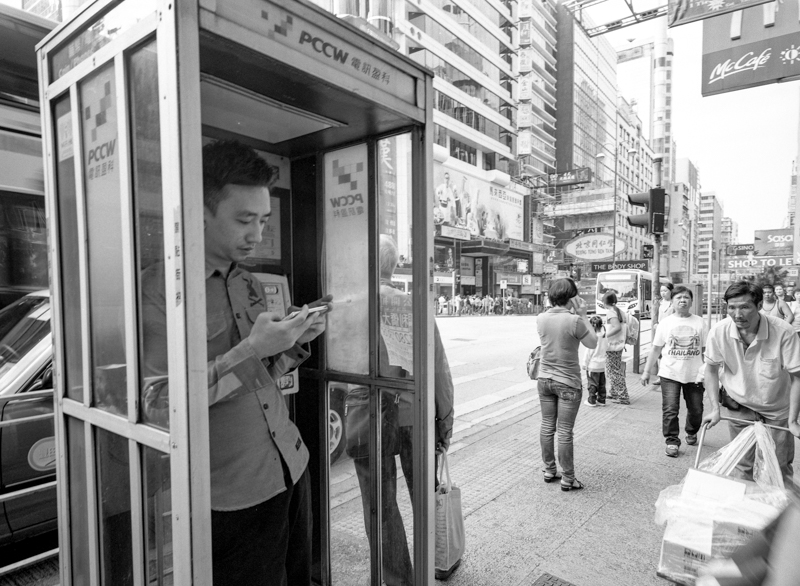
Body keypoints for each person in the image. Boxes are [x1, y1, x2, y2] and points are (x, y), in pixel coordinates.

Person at [141, 141, 331, 586]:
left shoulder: (248, 282)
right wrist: (253, 349)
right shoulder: (160, 290)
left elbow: (258, 377)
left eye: (263, 220)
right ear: (200, 212)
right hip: (230, 492)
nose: (257, 235)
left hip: (290, 463)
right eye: (245, 220)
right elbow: (159, 403)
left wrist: (292, 343)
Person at [352, 234, 455, 586]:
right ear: (393, 267)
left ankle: (398, 580)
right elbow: (438, 368)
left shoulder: (352, 305)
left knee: (380, 506)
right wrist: (444, 421)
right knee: (424, 495)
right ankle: (436, 561)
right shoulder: (414, 306)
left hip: (368, 415)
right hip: (414, 414)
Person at [703, 281, 800, 488]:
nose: (737, 314)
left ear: (759, 306)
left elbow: (797, 377)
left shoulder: (783, 332)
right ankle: (745, 506)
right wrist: (714, 409)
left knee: (778, 468)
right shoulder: (719, 331)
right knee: (741, 465)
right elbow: (710, 370)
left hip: (777, 410)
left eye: (745, 307)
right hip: (739, 405)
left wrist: (793, 421)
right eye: (732, 307)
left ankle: (778, 507)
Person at [536, 278, 598, 491]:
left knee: (547, 426)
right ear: (572, 297)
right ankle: (568, 478)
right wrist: (584, 315)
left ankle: (549, 469)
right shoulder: (575, 321)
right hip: (568, 382)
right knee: (564, 431)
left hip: (544, 380)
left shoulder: (541, 318)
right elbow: (593, 343)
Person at [641, 286, 707, 458]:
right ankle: (672, 441)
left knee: (696, 409)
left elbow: (706, 350)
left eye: (686, 297)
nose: (682, 300)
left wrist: (709, 373)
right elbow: (656, 349)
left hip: (695, 375)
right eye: (679, 297)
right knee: (670, 409)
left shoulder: (700, 322)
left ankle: (691, 431)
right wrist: (646, 371)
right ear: (672, 301)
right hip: (669, 373)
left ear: (691, 301)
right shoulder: (666, 323)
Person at [602, 291, 630, 405]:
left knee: (613, 371)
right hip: (618, 344)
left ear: (604, 302)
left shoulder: (611, 313)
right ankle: (614, 392)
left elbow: (617, 327)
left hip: (612, 346)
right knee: (614, 368)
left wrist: (605, 335)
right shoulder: (619, 311)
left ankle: (623, 396)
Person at [581, 315, 607, 407]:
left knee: (592, 383)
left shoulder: (593, 338)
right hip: (602, 365)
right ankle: (602, 400)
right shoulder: (604, 336)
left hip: (593, 365)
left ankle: (591, 400)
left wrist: (584, 363)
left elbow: (588, 352)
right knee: (601, 384)